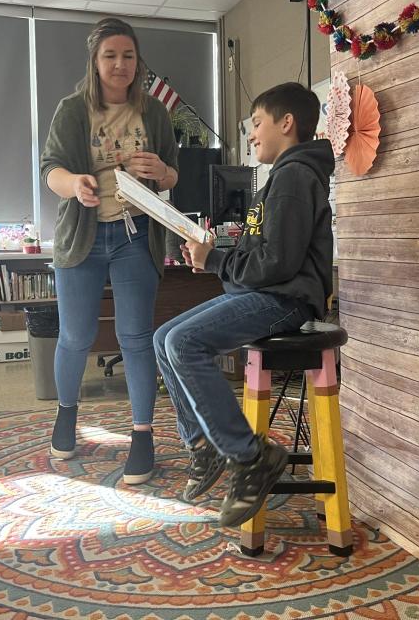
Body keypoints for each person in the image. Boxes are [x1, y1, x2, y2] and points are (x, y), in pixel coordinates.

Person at [154, 82, 333, 527]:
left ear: (286, 123)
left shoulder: (294, 176)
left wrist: (216, 260)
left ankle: (249, 456)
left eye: (256, 123)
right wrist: (219, 254)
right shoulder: (282, 176)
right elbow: (264, 250)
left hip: (286, 300)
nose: (251, 135)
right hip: (265, 292)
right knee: (163, 338)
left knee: (183, 343)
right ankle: (203, 446)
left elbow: (277, 263)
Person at [40, 18, 179, 484]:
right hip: (82, 235)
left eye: (128, 56)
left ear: (138, 62)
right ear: (95, 62)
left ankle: (142, 436)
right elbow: (50, 170)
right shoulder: (72, 110)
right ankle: (66, 414)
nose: (120, 64)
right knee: (76, 336)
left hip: (135, 234)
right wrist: (73, 183)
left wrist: (161, 169)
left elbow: (173, 177)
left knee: (136, 338)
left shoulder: (155, 113)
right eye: (110, 56)